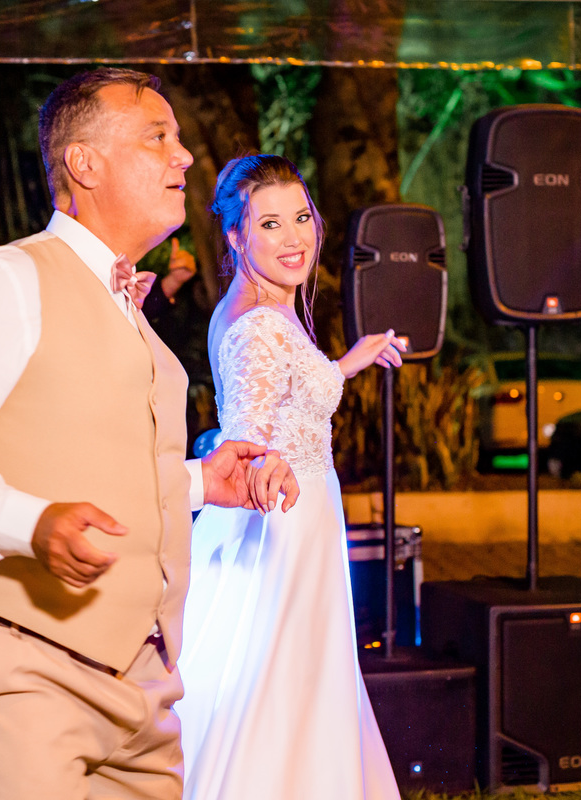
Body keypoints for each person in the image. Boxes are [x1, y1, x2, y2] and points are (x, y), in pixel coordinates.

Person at [0, 68, 300, 800]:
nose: (185, 156)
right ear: (84, 163)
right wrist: (30, 524)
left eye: (179, 139)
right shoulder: (7, 280)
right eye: (158, 137)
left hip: (147, 688)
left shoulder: (130, 311)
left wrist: (200, 482)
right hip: (31, 669)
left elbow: (90, 459)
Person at [174, 153, 406, 800]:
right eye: (270, 224)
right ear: (235, 236)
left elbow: (283, 395)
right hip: (281, 530)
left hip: (299, 523)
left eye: (301, 217)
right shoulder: (258, 327)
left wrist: (344, 365)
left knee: (296, 685)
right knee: (279, 687)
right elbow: (247, 437)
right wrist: (257, 462)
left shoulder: (261, 308)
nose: (294, 237)